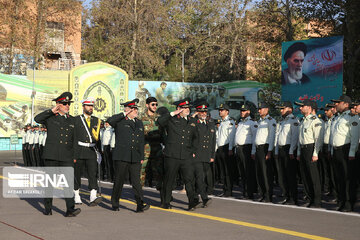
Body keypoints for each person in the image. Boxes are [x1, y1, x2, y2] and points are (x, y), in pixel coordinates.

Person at [34, 92, 81, 217]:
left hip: (66, 156)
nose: (67, 106)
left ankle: (70, 209)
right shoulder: (50, 118)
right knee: (50, 183)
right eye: (64, 104)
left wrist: (75, 156)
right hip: (52, 155)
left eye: (68, 104)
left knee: (68, 183)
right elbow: (37, 119)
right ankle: (48, 208)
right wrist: (51, 111)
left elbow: (75, 140)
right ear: (58, 104)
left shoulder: (72, 120)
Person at [107, 98, 149, 212]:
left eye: (136, 109)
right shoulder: (120, 121)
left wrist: (141, 157)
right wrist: (124, 113)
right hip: (122, 156)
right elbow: (110, 121)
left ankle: (140, 204)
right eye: (133, 109)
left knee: (136, 182)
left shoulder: (139, 122)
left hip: (135, 156)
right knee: (119, 180)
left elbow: (141, 141)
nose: (136, 111)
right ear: (128, 110)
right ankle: (115, 203)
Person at [157, 98, 199, 210]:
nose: (187, 109)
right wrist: (172, 113)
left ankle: (191, 202)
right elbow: (160, 122)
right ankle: (166, 202)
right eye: (184, 108)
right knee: (169, 179)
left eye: (188, 108)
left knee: (189, 180)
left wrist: (193, 151)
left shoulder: (192, 121)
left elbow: (196, 138)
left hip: (186, 156)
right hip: (172, 155)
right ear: (179, 109)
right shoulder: (171, 119)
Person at [331, 95, 359, 212]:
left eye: (339, 102)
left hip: (346, 150)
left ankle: (349, 203)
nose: (336, 104)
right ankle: (342, 201)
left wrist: (352, 152)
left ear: (346, 104)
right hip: (337, 150)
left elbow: (355, 136)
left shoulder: (352, 117)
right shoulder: (338, 118)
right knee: (340, 178)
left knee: (348, 178)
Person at [73, 97, 102, 206]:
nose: (90, 108)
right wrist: (74, 154)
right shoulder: (76, 120)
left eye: (92, 106)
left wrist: (99, 151)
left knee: (92, 173)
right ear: (83, 107)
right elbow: (74, 137)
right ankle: (76, 194)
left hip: (91, 150)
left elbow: (98, 137)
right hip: (79, 150)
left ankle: (93, 196)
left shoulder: (97, 120)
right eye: (88, 106)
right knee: (77, 173)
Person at [295, 99, 322, 208]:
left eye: (303, 106)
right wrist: (298, 152)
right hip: (303, 149)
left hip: (311, 149)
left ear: (309, 108)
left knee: (313, 176)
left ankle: (317, 200)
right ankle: (310, 198)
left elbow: (318, 139)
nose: (300, 108)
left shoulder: (315, 121)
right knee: (305, 176)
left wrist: (315, 153)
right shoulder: (303, 121)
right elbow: (300, 139)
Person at [274, 101, 300, 205]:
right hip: (281, 149)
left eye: (282, 109)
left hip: (288, 149)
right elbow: (278, 136)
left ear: (289, 109)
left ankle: (293, 197)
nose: (281, 111)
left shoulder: (293, 121)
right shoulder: (282, 121)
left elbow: (294, 137)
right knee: (282, 175)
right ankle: (285, 195)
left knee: (290, 175)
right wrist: (276, 150)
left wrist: (291, 150)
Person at [191, 101, 215, 207]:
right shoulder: (194, 123)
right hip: (196, 155)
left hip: (206, 155)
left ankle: (195, 199)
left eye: (205, 111)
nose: (204, 113)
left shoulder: (210, 124)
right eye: (201, 111)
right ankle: (204, 198)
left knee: (201, 178)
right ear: (197, 112)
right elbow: (189, 139)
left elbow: (213, 141)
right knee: (200, 177)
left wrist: (212, 155)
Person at [252, 102, 276, 202]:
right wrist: (253, 151)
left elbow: (271, 137)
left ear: (266, 110)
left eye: (261, 109)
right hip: (258, 149)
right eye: (259, 109)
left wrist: (269, 151)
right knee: (259, 173)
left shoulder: (270, 121)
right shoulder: (260, 121)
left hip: (265, 148)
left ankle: (268, 195)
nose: (259, 111)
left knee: (266, 173)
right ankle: (261, 193)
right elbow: (256, 137)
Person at [234, 103, 257, 199]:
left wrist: (253, 151)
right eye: (241, 111)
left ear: (249, 112)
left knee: (248, 171)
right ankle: (244, 191)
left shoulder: (252, 123)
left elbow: (255, 137)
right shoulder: (240, 122)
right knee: (242, 172)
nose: (242, 112)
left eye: (244, 111)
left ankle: (249, 192)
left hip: (247, 149)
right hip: (239, 149)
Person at [139, 97, 162, 188]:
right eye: (153, 104)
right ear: (147, 105)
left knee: (159, 171)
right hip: (145, 148)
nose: (155, 106)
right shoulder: (141, 118)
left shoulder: (159, 118)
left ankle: (163, 195)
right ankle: (139, 194)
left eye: (156, 104)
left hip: (157, 148)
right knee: (142, 171)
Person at [215, 103, 236, 197]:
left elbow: (231, 137)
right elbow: (218, 137)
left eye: (222, 110)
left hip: (227, 148)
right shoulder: (222, 122)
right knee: (222, 171)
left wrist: (230, 148)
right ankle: (224, 189)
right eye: (219, 110)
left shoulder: (230, 122)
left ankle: (229, 190)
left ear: (227, 111)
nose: (220, 111)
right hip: (220, 148)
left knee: (228, 170)